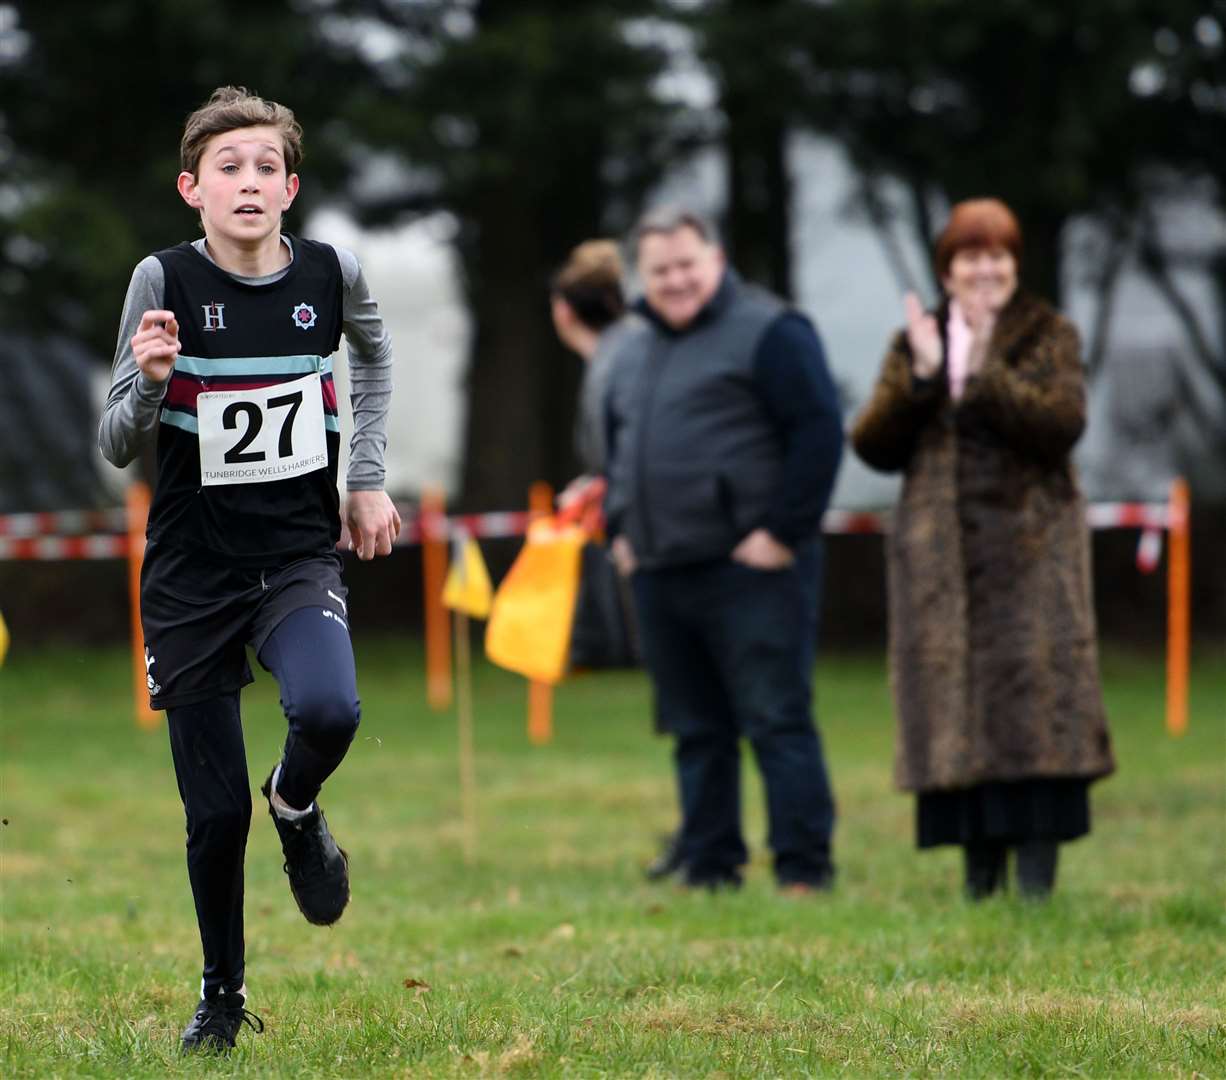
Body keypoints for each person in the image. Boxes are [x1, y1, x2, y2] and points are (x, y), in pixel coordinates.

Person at [98, 86, 401, 1051]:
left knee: (329, 712)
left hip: (293, 556)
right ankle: (221, 997)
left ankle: (299, 805)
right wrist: (148, 388)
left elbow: (376, 358)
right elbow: (113, 443)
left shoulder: (330, 272)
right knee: (213, 812)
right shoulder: (162, 283)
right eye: (228, 168)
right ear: (192, 188)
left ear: (291, 186)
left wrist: (366, 476)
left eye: (265, 167)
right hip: (190, 573)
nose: (248, 182)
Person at [850, 197, 1115, 900]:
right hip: (940, 564)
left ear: (1015, 263)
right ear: (947, 269)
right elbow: (872, 443)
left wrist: (982, 374)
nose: (985, 269)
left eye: (997, 254)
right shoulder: (916, 342)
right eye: (970, 256)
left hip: (1032, 561)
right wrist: (929, 377)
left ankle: (1035, 885)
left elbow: (1061, 423)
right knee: (956, 712)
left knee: (1033, 714)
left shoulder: (1046, 334)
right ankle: (977, 881)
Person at [603, 206, 844, 892]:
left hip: (753, 568)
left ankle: (803, 869)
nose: (675, 281)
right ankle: (710, 866)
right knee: (694, 728)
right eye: (659, 271)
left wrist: (780, 534)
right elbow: (619, 448)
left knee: (776, 719)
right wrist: (620, 533)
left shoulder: (772, 331)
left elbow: (819, 434)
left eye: (686, 265)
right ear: (641, 277)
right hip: (659, 568)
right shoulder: (635, 346)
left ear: (717, 260)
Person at [549, 239, 641, 670]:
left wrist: (600, 491)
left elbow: (634, 448)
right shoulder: (626, 349)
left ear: (563, 310)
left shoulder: (618, 362)